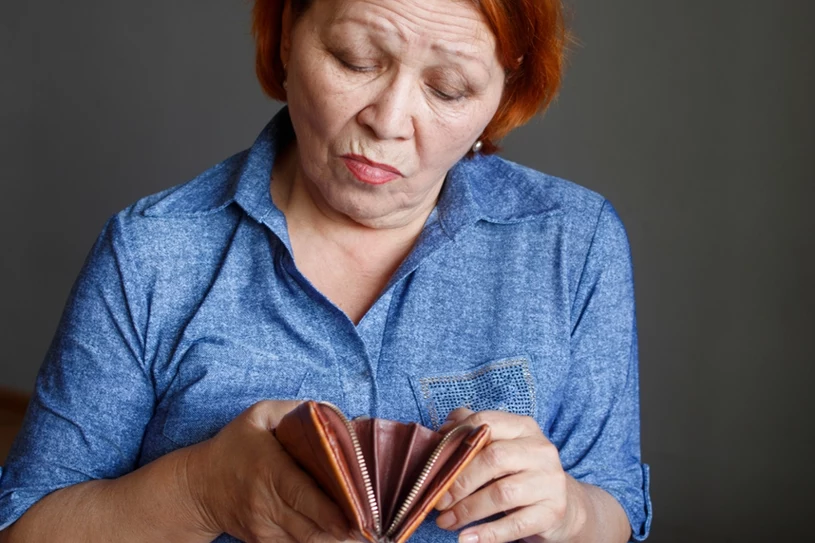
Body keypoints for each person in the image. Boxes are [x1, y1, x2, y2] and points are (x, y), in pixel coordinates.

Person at [0, 0, 652, 541]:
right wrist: (201, 491)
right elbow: (26, 525)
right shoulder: (152, 254)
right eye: (354, 60)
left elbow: (614, 507)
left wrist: (567, 509)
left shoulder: (571, 241)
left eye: (448, 88)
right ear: (287, 34)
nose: (389, 121)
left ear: (502, 93)